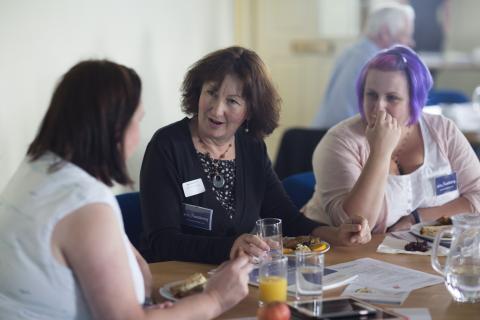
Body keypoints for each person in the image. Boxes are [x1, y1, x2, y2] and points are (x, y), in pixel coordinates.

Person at [0, 60, 253, 319]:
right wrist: (215, 298)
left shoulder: (34, 169)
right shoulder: (86, 206)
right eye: (138, 120)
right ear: (114, 128)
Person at [140, 46, 371, 265]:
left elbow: (288, 219)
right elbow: (163, 242)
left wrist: (335, 234)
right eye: (211, 93)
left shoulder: (251, 148)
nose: (216, 109)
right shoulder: (167, 146)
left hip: (233, 277)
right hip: (175, 280)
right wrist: (229, 248)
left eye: (232, 101)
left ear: (250, 110)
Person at [302, 45, 480, 233]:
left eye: (392, 98)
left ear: (414, 102)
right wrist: (380, 152)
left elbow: (477, 197)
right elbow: (355, 226)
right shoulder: (339, 141)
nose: (379, 107)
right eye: (371, 95)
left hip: (416, 254)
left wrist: (416, 219)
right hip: (338, 255)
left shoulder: (442, 130)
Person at [312, 2, 415, 129]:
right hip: (345, 138)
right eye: (405, 35)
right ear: (385, 32)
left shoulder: (350, 51)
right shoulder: (377, 64)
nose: (409, 42)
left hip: (317, 134)